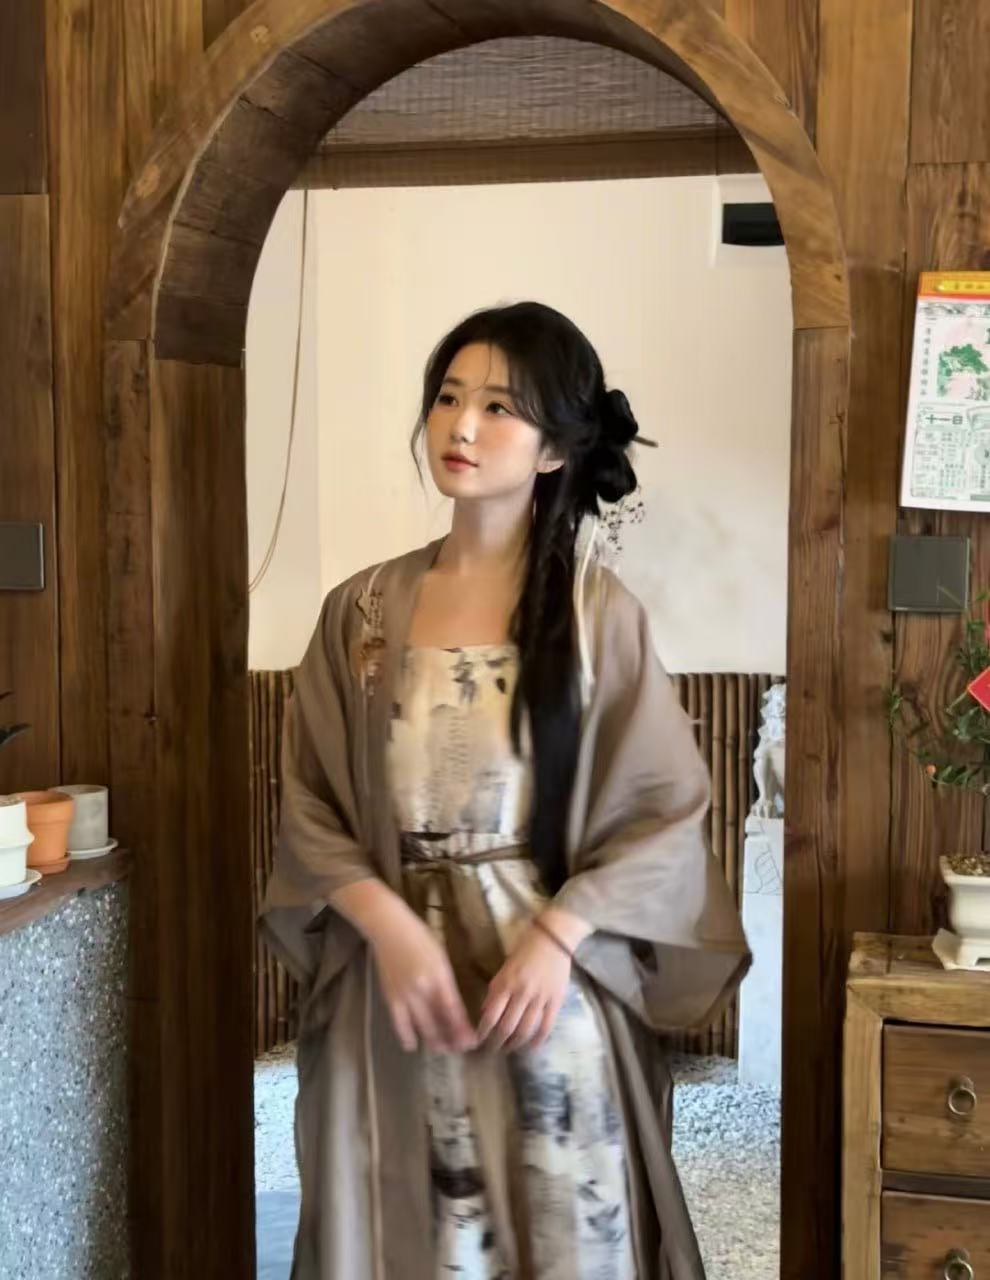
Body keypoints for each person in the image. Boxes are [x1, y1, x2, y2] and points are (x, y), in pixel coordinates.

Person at [260, 301, 751, 1280]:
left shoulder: (596, 614)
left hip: (544, 1000)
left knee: (561, 1235)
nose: (462, 426)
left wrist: (559, 935)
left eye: (499, 407)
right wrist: (392, 930)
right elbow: (309, 800)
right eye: (449, 397)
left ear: (555, 450)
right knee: (397, 1234)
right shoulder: (359, 612)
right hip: (393, 998)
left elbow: (665, 814)